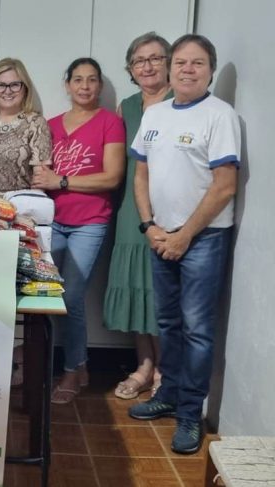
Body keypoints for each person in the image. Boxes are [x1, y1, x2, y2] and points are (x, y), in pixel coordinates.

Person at [128, 34, 239, 454]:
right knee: (169, 323)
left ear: (210, 70)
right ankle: (168, 394)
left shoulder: (220, 115)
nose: (187, 70)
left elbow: (224, 186)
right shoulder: (155, 113)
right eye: (181, 62)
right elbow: (142, 175)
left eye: (197, 63)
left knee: (197, 330)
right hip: (160, 235)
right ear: (170, 68)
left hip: (202, 239)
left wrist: (184, 235)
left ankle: (190, 413)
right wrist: (148, 226)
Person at [31, 58, 125, 404]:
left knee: (70, 296)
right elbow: (40, 173)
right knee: (44, 295)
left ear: (99, 85)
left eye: (92, 80)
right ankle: (75, 365)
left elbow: (112, 177)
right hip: (52, 221)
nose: (85, 86)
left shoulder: (110, 123)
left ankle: (72, 369)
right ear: (67, 84)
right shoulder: (51, 125)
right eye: (78, 80)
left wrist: (62, 181)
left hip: (89, 223)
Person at [104, 32, 173, 400]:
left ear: (168, 63)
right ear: (130, 69)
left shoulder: (181, 100)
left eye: (155, 58)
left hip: (169, 207)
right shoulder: (127, 107)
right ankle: (144, 366)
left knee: (160, 289)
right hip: (131, 206)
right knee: (134, 285)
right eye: (139, 61)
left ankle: (165, 369)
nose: (147, 66)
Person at [0, 58, 52, 192]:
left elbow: (40, 178)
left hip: (19, 200)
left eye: (15, 85)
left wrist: (30, 203)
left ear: (25, 88)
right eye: (1, 85)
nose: (8, 91)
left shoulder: (35, 123)